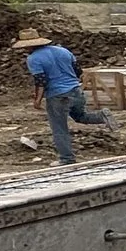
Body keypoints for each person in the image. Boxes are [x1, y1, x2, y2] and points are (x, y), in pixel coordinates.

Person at [13, 29, 114, 164]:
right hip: (76, 90)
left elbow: (41, 81)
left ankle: (67, 159)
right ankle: (102, 116)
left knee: (59, 129)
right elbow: (78, 71)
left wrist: (37, 100)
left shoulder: (33, 59)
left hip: (58, 96)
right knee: (80, 116)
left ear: (29, 45)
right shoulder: (63, 51)